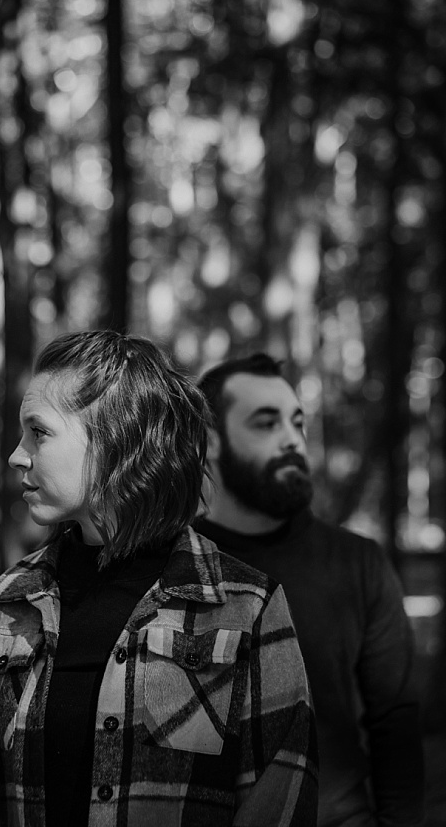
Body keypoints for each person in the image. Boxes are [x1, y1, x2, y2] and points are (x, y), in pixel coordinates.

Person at [0, 330, 317, 827]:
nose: (16, 455)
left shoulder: (247, 608)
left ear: (117, 438)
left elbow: (280, 795)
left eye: (39, 432)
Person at [193, 353, 423, 827]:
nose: (293, 439)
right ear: (210, 442)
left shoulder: (358, 563)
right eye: (266, 422)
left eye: (297, 422)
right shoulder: (175, 565)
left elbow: (395, 722)